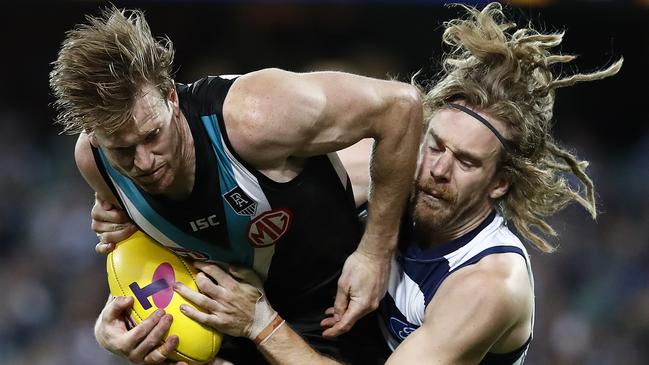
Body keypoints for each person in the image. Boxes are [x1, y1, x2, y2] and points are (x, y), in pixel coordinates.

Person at [167, 3, 623, 364]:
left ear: (500, 182)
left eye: (465, 161)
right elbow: (225, 167)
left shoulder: (487, 283)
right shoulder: (387, 176)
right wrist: (125, 214)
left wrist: (259, 323)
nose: (439, 169)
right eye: (435, 145)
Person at [48, 6, 422, 365]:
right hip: (229, 327)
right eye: (123, 150)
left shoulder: (255, 118)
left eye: (153, 135)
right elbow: (141, 251)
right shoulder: (94, 162)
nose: (144, 162)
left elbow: (401, 106)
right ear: (94, 137)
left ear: (172, 96)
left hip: (337, 316)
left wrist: (375, 251)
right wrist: (114, 326)